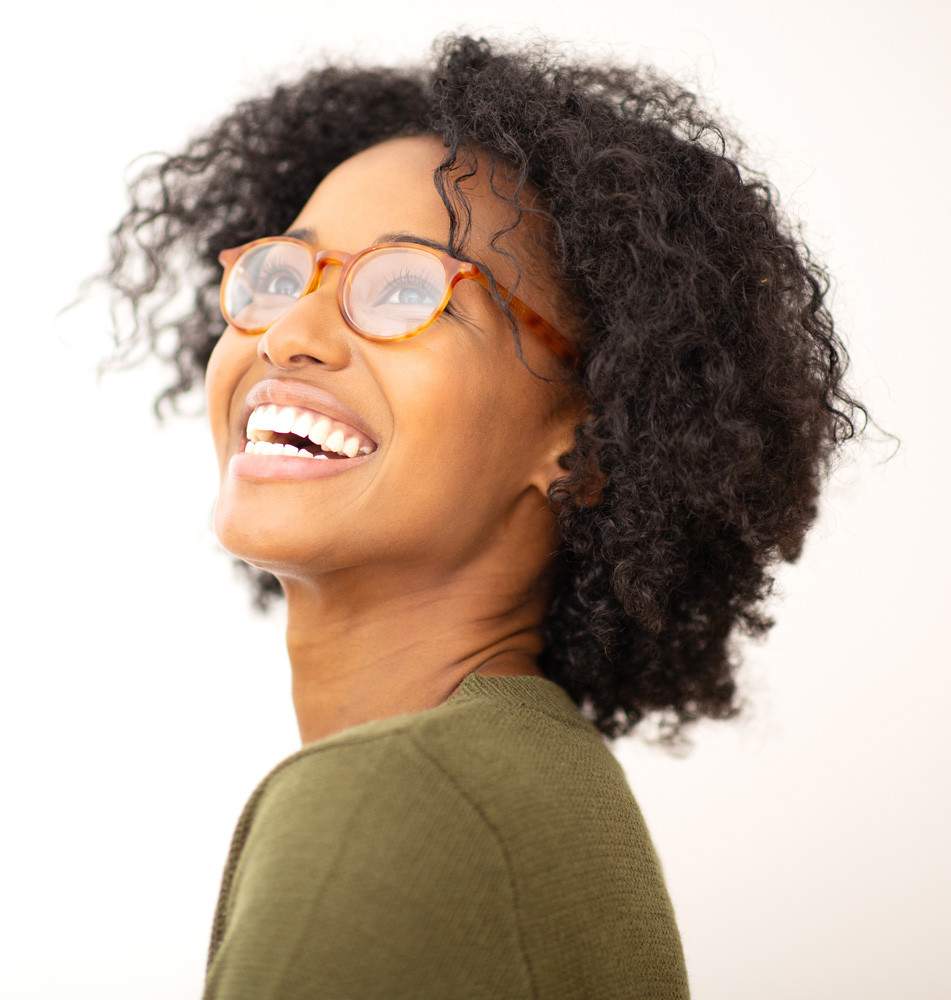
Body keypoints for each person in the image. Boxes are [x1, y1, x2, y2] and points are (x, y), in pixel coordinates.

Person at [83, 30, 872, 1000]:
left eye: (407, 289)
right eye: (283, 274)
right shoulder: (534, 785)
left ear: (582, 448)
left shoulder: (394, 800)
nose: (291, 332)